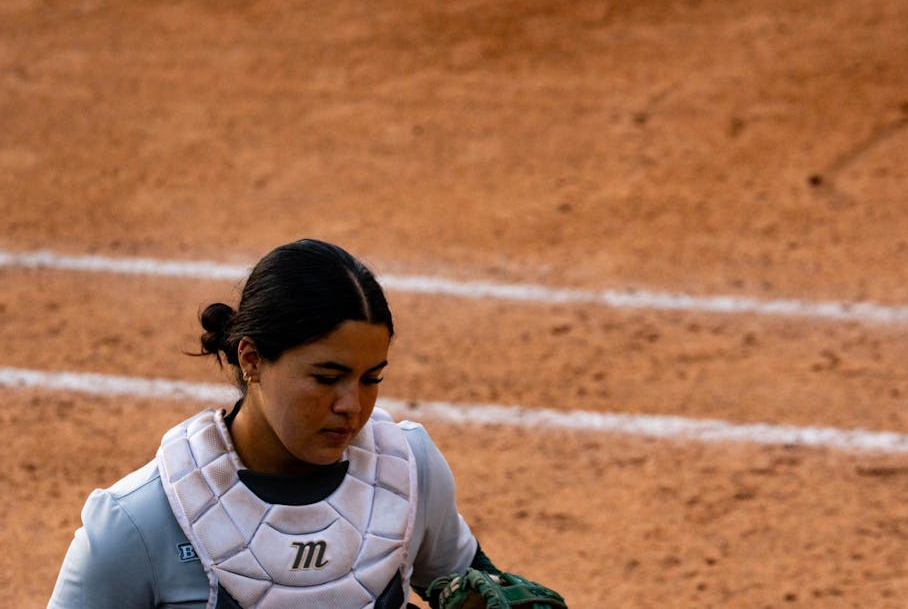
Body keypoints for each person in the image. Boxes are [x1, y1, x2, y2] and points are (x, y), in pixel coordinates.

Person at [48, 239, 564, 609]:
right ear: (251, 359)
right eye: (326, 378)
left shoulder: (410, 471)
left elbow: (470, 585)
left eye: (371, 378)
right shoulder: (137, 521)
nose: (352, 406)